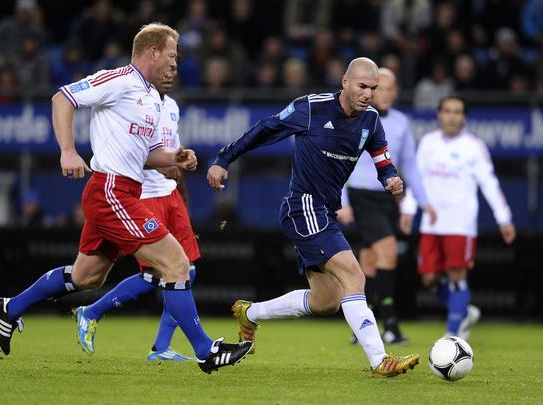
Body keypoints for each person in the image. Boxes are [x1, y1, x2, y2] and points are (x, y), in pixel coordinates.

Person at [0, 23, 252, 374]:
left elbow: (148, 155)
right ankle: (206, 351)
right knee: (176, 264)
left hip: (122, 191)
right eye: (172, 56)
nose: (176, 64)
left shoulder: (153, 100)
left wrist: (173, 159)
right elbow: (62, 98)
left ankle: (10, 307)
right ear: (153, 52)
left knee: (87, 277)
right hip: (111, 190)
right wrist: (67, 151)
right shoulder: (119, 80)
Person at [208, 57, 420, 377]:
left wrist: (389, 178)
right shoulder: (310, 107)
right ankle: (380, 360)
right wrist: (225, 158)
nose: (368, 94)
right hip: (302, 204)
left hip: (325, 212)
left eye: (373, 89)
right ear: (345, 82)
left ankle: (250, 313)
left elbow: (382, 159)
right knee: (354, 274)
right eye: (362, 86)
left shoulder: (372, 121)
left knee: (327, 301)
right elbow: (266, 129)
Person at [74, 67, 202, 362]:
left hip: (169, 194)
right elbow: (134, 154)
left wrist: (178, 177)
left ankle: (161, 347)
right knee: (157, 274)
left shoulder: (170, 106)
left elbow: (170, 152)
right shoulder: (132, 101)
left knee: (185, 271)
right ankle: (94, 312)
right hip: (144, 195)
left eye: (175, 67)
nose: (171, 73)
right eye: (167, 66)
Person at [400, 95, 516, 340]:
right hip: (431, 223)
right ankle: (463, 310)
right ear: (439, 115)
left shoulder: (474, 146)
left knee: (456, 274)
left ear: (463, 117)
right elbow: (416, 180)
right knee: (429, 279)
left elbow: (489, 184)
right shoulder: (429, 143)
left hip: (460, 223)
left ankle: (453, 335)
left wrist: (503, 218)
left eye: (457, 112)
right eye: (447, 111)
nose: (452, 116)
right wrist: (409, 210)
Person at [337, 68, 437, 345]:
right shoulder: (357, 118)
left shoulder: (402, 123)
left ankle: (361, 324)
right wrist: (342, 201)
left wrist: (420, 204)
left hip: (387, 198)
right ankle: (391, 324)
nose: (388, 94)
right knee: (388, 252)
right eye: (382, 88)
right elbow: (340, 161)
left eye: (393, 88)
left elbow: (410, 166)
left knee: (369, 262)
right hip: (361, 194)